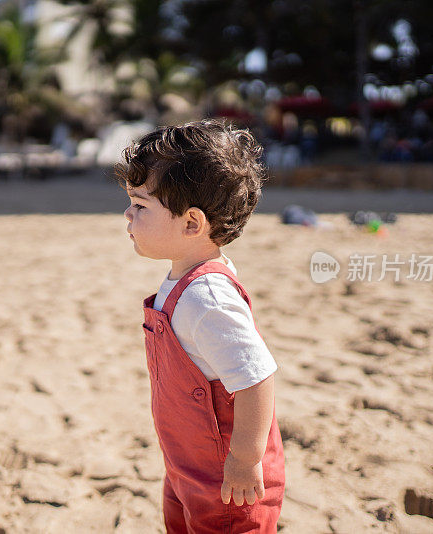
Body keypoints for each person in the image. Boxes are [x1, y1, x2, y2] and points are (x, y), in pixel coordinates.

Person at [116, 119, 285, 533]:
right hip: (187, 464)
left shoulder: (206, 296)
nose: (128, 213)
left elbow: (256, 377)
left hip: (227, 481)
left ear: (192, 223)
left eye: (140, 205)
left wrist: (245, 461)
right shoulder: (185, 280)